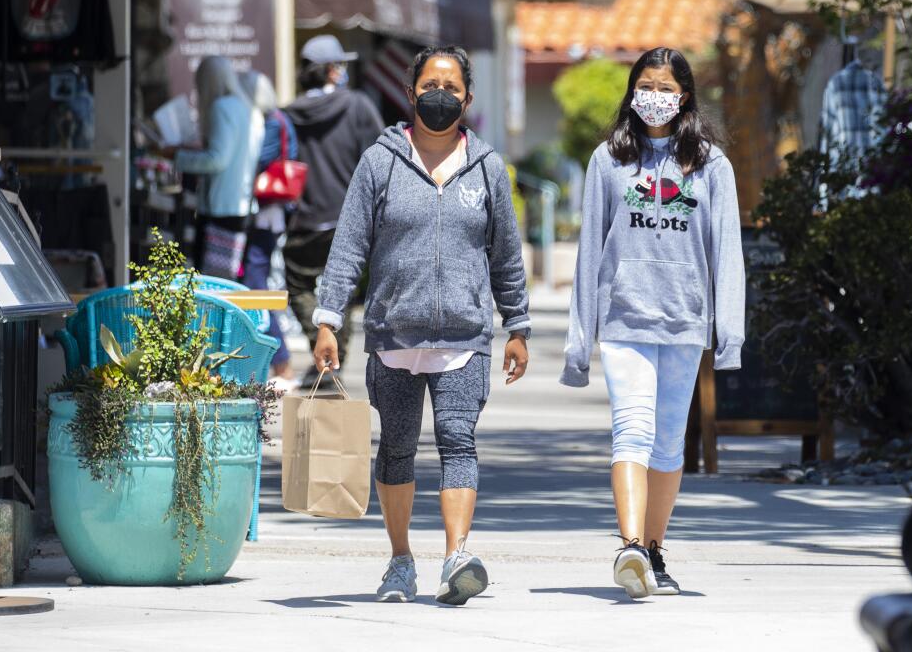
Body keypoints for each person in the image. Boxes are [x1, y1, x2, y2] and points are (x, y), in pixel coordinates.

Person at [311, 45, 531, 606]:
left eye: (451, 87)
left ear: (468, 98)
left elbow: (505, 254)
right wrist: (328, 319)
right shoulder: (379, 162)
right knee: (397, 451)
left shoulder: (486, 168)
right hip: (393, 336)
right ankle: (401, 561)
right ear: (410, 95)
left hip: (463, 337)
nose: (440, 95)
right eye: (430, 85)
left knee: (460, 443)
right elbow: (349, 245)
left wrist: (518, 326)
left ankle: (457, 556)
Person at [561, 46, 745, 600]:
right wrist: (579, 340)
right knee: (631, 432)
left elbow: (727, 252)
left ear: (684, 95)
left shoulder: (711, 164)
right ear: (631, 91)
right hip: (625, 320)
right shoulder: (607, 160)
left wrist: (728, 333)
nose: (655, 98)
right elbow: (590, 251)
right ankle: (631, 546)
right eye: (646, 86)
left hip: (685, 322)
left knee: (668, 446)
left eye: (667, 88)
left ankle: (654, 552)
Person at [282, 35, 384, 375]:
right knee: (344, 293)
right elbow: (381, 160)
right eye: (339, 65)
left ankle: (321, 346)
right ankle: (334, 355)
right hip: (348, 219)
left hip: (303, 219)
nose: (342, 71)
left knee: (298, 286)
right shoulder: (357, 106)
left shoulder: (289, 114)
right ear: (329, 71)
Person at [167, 56, 264, 278]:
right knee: (227, 285)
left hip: (219, 208)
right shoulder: (248, 108)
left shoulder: (222, 107)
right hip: (240, 206)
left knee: (211, 288)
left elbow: (216, 159)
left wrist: (178, 155)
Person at [239, 69, 297, 381]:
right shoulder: (280, 119)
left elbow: (260, 159)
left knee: (255, 282)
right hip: (273, 209)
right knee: (256, 280)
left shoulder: (271, 121)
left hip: (267, 208)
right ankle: (277, 360)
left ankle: (281, 360)